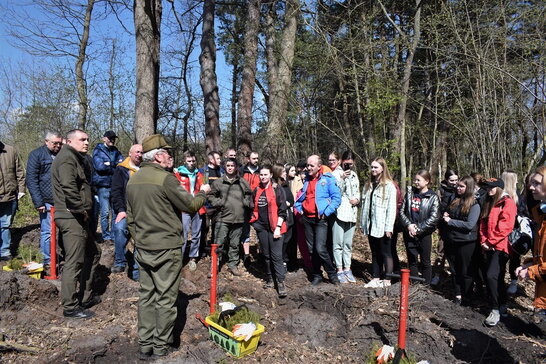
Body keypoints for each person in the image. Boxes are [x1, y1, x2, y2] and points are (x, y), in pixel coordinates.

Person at [126, 134, 209, 359]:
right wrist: (204, 191)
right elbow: (191, 205)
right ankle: (160, 346)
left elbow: (131, 220)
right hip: (167, 248)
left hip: (143, 248)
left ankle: (145, 344)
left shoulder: (133, 179)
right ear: (159, 157)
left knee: (146, 296)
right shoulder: (166, 179)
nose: (171, 157)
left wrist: (140, 240)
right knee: (166, 298)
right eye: (168, 153)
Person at [52, 129, 101, 319]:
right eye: (82, 139)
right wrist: (81, 209)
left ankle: (85, 296)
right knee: (74, 260)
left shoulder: (75, 158)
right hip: (71, 216)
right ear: (69, 141)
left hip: (77, 216)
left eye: (88, 139)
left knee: (94, 252)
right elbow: (68, 187)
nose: (87, 142)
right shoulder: (66, 158)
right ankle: (70, 306)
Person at [294, 155, 341, 285]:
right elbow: (302, 196)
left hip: (321, 220)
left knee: (320, 248)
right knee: (311, 250)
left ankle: (332, 274)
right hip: (307, 219)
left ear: (319, 167)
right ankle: (316, 275)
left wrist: (326, 212)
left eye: (311, 166)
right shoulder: (307, 180)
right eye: (307, 165)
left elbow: (337, 198)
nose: (308, 168)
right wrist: (299, 208)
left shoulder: (327, 179)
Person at [479, 177, 516, 326]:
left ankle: (495, 309)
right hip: (488, 246)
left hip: (501, 247)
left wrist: (490, 241)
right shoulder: (488, 202)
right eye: (487, 187)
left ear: (498, 188)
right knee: (497, 277)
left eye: (491, 187)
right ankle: (502, 305)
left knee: (491, 276)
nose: (488, 190)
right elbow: (483, 222)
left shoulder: (507, 203)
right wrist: (483, 241)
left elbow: (505, 226)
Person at [208, 158, 252, 276]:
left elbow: (249, 194)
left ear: (236, 167)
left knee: (235, 244)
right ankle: (214, 266)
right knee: (218, 243)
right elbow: (211, 196)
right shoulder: (218, 182)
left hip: (239, 219)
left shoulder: (242, 182)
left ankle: (233, 265)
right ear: (224, 167)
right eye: (228, 165)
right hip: (223, 218)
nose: (230, 167)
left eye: (232, 165)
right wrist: (220, 202)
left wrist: (245, 202)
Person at [250, 164, 288, 297]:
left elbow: (283, 211)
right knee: (266, 255)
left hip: (276, 228)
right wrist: (254, 223)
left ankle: (281, 281)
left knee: (276, 256)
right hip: (262, 228)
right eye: (261, 174)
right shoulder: (256, 190)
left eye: (266, 174)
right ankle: (270, 278)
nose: (263, 177)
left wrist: (278, 228)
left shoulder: (277, 189)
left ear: (271, 175)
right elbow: (251, 207)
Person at [442, 176, 481, 305]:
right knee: (454, 270)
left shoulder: (474, 204)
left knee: (466, 271)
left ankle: (467, 295)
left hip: (466, 242)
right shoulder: (454, 200)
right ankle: (457, 294)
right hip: (452, 240)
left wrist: (451, 221)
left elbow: (470, 225)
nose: (458, 188)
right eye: (458, 186)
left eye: (461, 186)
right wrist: (446, 215)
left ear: (468, 187)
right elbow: (449, 213)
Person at [26, 131, 62, 267]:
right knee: (47, 232)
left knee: (65, 231)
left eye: (60, 143)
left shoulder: (62, 155)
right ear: (46, 141)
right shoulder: (37, 155)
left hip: (62, 200)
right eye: (55, 143)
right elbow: (31, 179)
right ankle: (47, 260)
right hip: (46, 201)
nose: (58, 146)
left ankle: (61, 257)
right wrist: (38, 202)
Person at [360, 157, 397, 288]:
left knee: (386, 252)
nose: (373, 169)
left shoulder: (389, 186)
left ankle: (387, 279)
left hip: (382, 225)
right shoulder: (368, 184)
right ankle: (376, 277)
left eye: (376, 167)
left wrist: (388, 227)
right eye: (372, 167)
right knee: (374, 252)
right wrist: (363, 224)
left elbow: (391, 209)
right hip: (371, 225)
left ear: (382, 168)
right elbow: (365, 206)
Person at [399, 170, 440, 284]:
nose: (415, 182)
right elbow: (402, 212)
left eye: (418, 180)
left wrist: (418, 229)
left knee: (425, 261)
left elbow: (434, 218)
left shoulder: (433, 197)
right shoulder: (410, 194)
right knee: (412, 261)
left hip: (424, 234)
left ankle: (426, 286)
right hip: (409, 232)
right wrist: (409, 226)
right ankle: (415, 285)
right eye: (415, 179)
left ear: (426, 181)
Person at [516, 166, 546, 322]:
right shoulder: (540, 215)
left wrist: (531, 272)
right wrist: (529, 265)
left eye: (536, 183)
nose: (531, 187)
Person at [110, 144, 143, 278]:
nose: (139, 154)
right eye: (137, 152)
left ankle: (136, 273)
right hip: (126, 209)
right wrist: (121, 210)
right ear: (130, 153)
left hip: (142, 212)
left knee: (140, 239)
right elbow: (116, 191)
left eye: (141, 152)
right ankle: (120, 261)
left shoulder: (145, 170)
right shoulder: (121, 170)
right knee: (119, 229)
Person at [174, 151, 207, 271]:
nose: (191, 163)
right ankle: (180, 258)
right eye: (189, 161)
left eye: (193, 161)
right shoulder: (178, 173)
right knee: (183, 233)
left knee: (196, 234)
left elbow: (204, 187)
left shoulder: (199, 174)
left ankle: (193, 258)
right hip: (184, 207)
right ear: (184, 161)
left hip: (197, 207)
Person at [331, 151, 360, 283]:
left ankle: (348, 268)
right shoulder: (335, 174)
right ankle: (339, 269)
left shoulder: (354, 175)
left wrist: (357, 200)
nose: (348, 166)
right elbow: (336, 193)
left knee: (348, 244)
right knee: (338, 243)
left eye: (351, 163)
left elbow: (357, 191)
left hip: (352, 213)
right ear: (341, 161)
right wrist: (342, 178)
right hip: (340, 213)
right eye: (346, 163)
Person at [91, 130, 123, 243]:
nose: (112, 140)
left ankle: (114, 235)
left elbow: (121, 165)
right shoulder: (97, 151)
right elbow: (99, 167)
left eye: (113, 138)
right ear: (104, 138)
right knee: (104, 212)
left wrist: (109, 164)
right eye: (110, 138)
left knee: (115, 211)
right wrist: (114, 165)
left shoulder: (116, 151)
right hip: (102, 185)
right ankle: (106, 235)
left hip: (115, 185)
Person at [502, 170, 528, 296]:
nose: (518, 181)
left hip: (514, 234)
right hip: (502, 234)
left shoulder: (518, 196)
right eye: (516, 179)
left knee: (514, 259)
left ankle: (513, 282)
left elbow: (524, 213)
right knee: (501, 259)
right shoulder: (500, 196)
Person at [432, 169, 460, 285]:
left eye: (456, 180)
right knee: (441, 251)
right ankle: (437, 274)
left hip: (457, 226)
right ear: (446, 180)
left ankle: (456, 276)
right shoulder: (441, 191)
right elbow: (436, 207)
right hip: (444, 225)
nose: (454, 183)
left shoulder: (460, 189)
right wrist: (442, 216)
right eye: (452, 180)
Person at [0, 140, 26, 261]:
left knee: (5, 225)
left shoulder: (10, 150)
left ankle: (4, 251)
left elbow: (19, 171)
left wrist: (21, 189)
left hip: (9, 196)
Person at [240, 151, 260, 263]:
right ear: (248, 159)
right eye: (253, 158)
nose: (256, 160)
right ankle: (246, 254)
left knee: (259, 229)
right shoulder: (242, 171)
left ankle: (260, 252)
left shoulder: (260, 171)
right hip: (244, 206)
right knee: (245, 230)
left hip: (258, 205)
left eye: (257, 158)